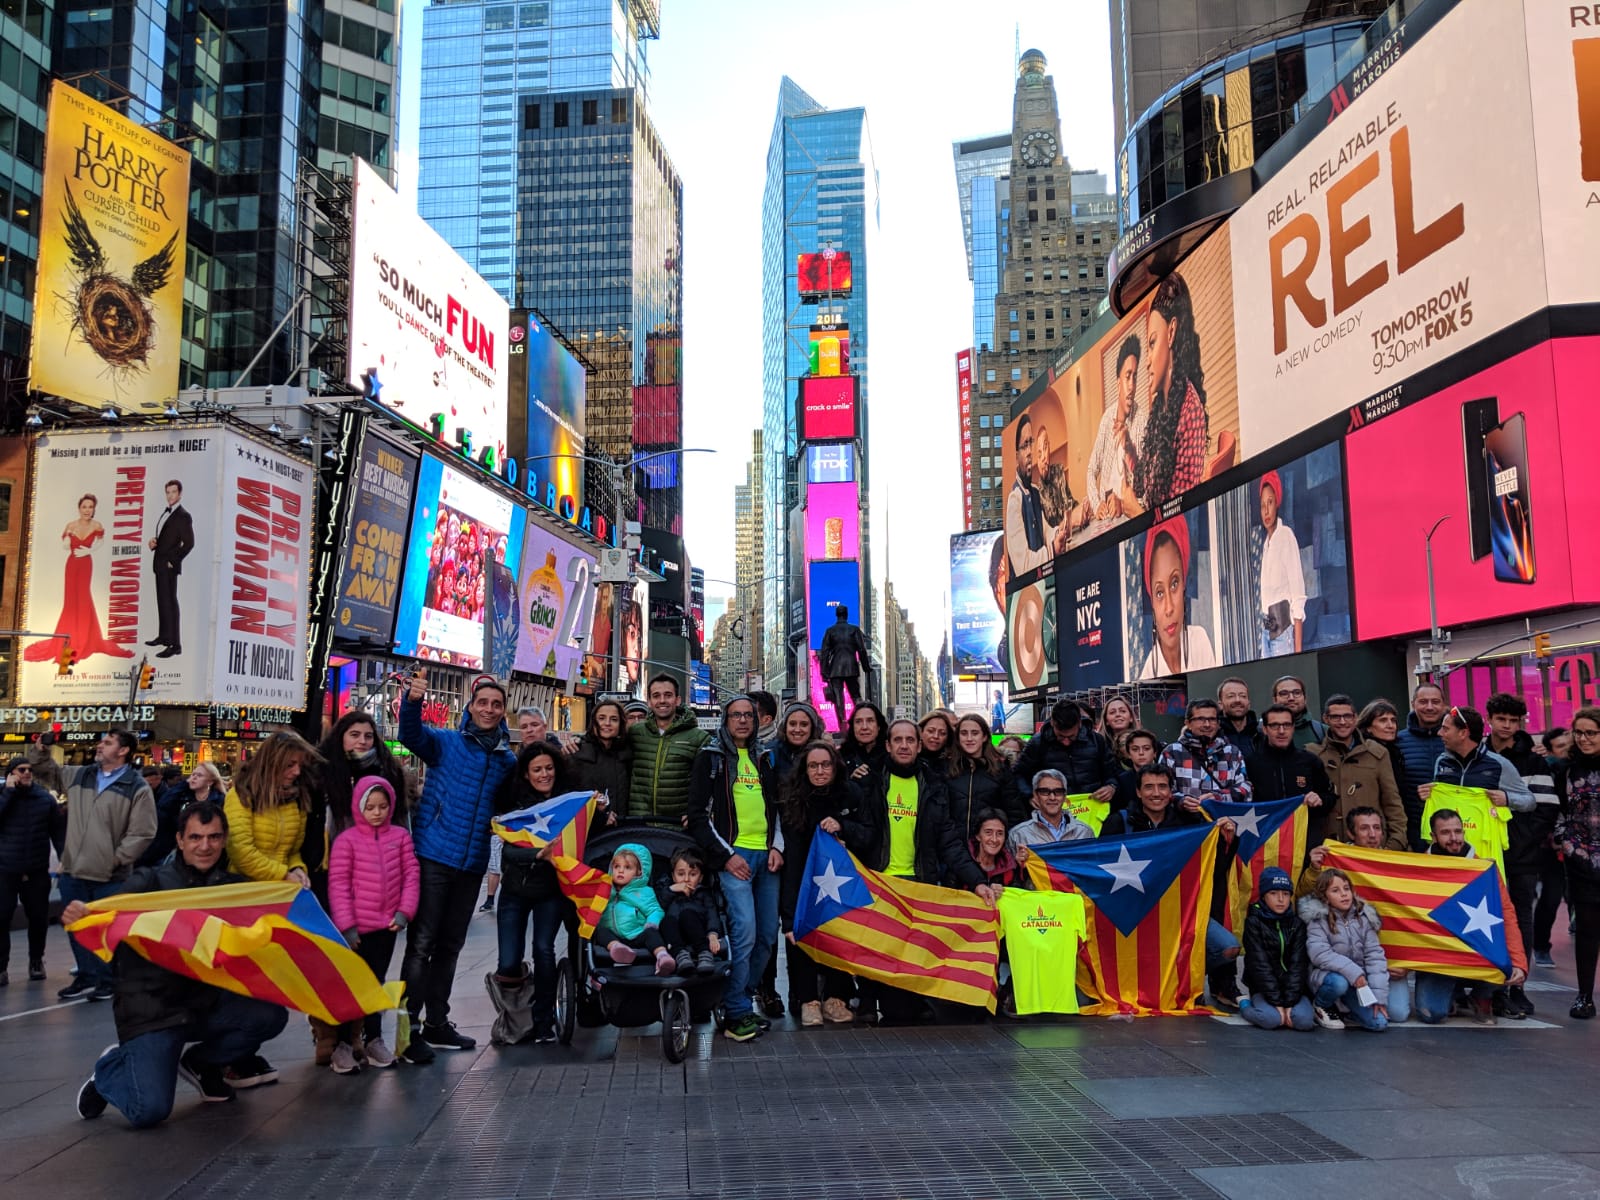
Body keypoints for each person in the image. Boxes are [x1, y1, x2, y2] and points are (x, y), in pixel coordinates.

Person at [70, 801, 289, 1127]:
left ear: (224, 839)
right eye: (196, 837)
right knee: (149, 1111)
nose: (205, 846)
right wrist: (85, 915)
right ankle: (111, 1067)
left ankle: (201, 1064)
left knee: (270, 1015)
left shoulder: (232, 888)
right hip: (153, 1012)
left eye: (214, 837)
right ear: (180, 840)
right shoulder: (149, 883)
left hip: (204, 1005)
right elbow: (108, 915)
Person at [398, 671, 517, 1063]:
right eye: (482, 702)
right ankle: (406, 1030)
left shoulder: (505, 760)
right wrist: (412, 702)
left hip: (471, 864)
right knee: (421, 945)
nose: (489, 709)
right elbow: (410, 737)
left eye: (496, 705)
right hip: (434, 855)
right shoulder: (446, 742)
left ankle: (436, 1023)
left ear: (503, 712)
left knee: (450, 946)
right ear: (470, 707)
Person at [1098, 764, 1240, 1006]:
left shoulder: (1189, 822)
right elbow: (1097, 866)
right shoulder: (1118, 822)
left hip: (1181, 912)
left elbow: (1212, 867)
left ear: (1171, 791)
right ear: (1138, 792)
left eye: (1162, 787)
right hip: (1134, 914)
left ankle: (1183, 979)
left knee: (1228, 947)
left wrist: (1228, 840)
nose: (1156, 793)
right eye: (1149, 787)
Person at [688, 696, 783, 1042]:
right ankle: (735, 1012)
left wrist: (777, 846)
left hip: (767, 857)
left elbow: (777, 808)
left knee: (766, 937)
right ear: (725, 721)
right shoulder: (711, 759)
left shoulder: (766, 757)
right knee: (743, 933)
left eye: (749, 715)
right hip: (735, 858)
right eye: (736, 716)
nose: (743, 721)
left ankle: (738, 999)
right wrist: (726, 856)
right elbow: (698, 816)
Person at [327, 776, 418, 1072]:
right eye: (371, 807)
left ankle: (374, 1038)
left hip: (386, 926)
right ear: (359, 807)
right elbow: (338, 885)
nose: (377, 812)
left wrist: (405, 912)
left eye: (383, 806)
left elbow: (410, 875)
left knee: (375, 982)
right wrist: (347, 925)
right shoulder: (346, 841)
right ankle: (341, 1044)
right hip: (355, 930)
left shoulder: (400, 837)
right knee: (349, 985)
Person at [57, 731, 156, 1001]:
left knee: (106, 932)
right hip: (74, 870)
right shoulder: (82, 775)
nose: (100, 745)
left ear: (123, 751)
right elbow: (47, 771)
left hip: (110, 875)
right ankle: (87, 977)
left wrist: (116, 859)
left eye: (108, 742)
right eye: (101, 741)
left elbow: (143, 832)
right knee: (76, 927)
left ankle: (108, 980)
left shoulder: (136, 786)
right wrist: (42, 749)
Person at [778, 741, 867, 1026]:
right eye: (813, 766)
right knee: (801, 937)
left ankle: (836, 997)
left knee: (839, 936)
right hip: (803, 881)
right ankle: (808, 1000)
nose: (819, 771)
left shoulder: (851, 794)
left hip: (841, 884)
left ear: (835, 766)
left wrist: (844, 828)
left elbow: (870, 834)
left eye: (825, 765)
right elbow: (790, 858)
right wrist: (789, 918)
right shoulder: (792, 799)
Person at [488, 743, 570, 1045]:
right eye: (537, 769)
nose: (544, 774)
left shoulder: (566, 802)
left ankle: (543, 1021)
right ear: (526, 773)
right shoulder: (517, 806)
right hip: (514, 890)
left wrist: (602, 814)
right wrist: (537, 855)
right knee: (508, 960)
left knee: (544, 950)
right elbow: (508, 850)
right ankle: (514, 1014)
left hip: (551, 891)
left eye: (549, 768)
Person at [1485, 692, 1559, 1015]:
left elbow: (1547, 809)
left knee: (1521, 919)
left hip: (1522, 855)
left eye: (1513, 721)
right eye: (1501, 719)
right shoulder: (1478, 754)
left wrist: (1525, 841)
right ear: (1490, 719)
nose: (1507, 726)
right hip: (1485, 852)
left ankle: (1518, 986)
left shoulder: (1534, 760)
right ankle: (1488, 986)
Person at [24, 494, 135, 663]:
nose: (87, 510)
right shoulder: (71, 525)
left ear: (94, 509)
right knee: (70, 602)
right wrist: (68, 537)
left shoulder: (97, 525)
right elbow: (64, 546)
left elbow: (100, 542)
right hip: (72, 564)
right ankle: (70, 637)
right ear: (79, 508)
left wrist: (89, 551)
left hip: (85, 564)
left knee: (83, 598)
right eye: (84, 507)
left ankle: (83, 639)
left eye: (90, 507)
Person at [1131, 270, 1208, 511]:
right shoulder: (1161, 409)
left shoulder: (1190, 414)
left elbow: (1179, 518)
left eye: (1153, 343)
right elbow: (1147, 491)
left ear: (1172, 332)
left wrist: (1134, 512)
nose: (1147, 361)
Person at [310, 712, 407, 902]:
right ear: (341, 737)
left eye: (368, 736)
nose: (362, 741)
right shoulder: (320, 771)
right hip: (329, 864)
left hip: (375, 867)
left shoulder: (389, 772)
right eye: (354, 735)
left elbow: (400, 822)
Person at [223, 733, 321, 887]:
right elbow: (240, 852)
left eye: (299, 765)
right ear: (270, 763)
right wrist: (283, 875)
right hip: (244, 889)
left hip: (279, 890)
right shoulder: (241, 795)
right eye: (290, 765)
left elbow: (293, 852)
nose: (297, 772)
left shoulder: (297, 798)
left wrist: (297, 868)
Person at [1311, 695, 1406, 852]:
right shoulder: (1314, 754)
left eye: (1347, 716)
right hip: (1329, 849)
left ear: (1355, 718)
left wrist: (1395, 843)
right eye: (1336, 717)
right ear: (1326, 719)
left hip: (1373, 849)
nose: (1342, 722)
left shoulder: (1377, 753)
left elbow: (1392, 803)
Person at [0, 757, 65, 985]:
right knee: (2, 918)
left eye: (29, 770)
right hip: (5, 870)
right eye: (21, 770)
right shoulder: (3, 796)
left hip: (36, 870)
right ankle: (1, 968)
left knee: (38, 919)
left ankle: (36, 961)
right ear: (11, 773)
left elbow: (57, 831)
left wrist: (63, 857)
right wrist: (8, 793)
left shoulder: (44, 799)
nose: (27, 773)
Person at [1301, 868, 1391, 1031]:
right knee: (1339, 983)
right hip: (1329, 979)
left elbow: (1375, 957)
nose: (1344, 894)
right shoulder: (1317, 920)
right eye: (1335, 890)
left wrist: (1378, 998)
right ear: (1325, 897)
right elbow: (1320, 954)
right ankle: (1321, 1005)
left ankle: (1349, 1010)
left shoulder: (1363, 918)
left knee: (1379, 1023)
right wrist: (1355, 973)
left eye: (1346, 888)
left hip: (1358, 984)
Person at [1556, 708, 1600, 1018]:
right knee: (1586, 931)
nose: (1584, 739)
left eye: (1591, 733)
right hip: (1581, 863)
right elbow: (1558, 812)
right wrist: (1567, 843)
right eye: (1579, 733)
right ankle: (1584, 995)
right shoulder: (1566, 771)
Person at [1136, 517, 1217, 677]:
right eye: (1159, 593)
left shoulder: (1199, 641)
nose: (1169, 608)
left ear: (1184, 586)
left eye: (1174, 584)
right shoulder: (1148, 675)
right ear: (1151, 601)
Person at [1238, 867, 1314, 1032]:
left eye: (1286, 894)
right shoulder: (1253, 923)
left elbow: (1298, 965)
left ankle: (1285, 1008)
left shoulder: (1297, 924)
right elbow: (1259, 965)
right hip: (1263, 988)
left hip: (1292, 988)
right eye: (1274, 893)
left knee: (1304, 1022)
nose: (1281, 899)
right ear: (1264, 896)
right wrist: (1277, 1003)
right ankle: (1244, 1005)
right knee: (1271, 1019)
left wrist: (1289, 1002)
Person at [626, 674, 710, 820]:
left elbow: (707, 784)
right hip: (638, 823)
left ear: (678, 700)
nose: (662, 700)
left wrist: (697, 813)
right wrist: (573, 739)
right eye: (656, 696)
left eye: (668, 695)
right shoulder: (635, 733)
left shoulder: (699, 738)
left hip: (678, 828)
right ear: (650, 702)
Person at [1083, 333, 1147, 523]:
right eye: (1128, 377)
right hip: (1105, 519)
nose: (1132, 386)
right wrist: (1097, 504)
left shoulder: (1141, 421)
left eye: (1135, 377)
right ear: (1118, 381)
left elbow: (1144, 488)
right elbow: (1091, 470)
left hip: (1130, 519)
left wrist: (1122, 501)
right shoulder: (1107, 420)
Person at [1013, 699, 1118, 811]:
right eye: (1061, 736)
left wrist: (1111, 787)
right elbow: (1018, 774)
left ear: (1080, 723)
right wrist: (1029, 795)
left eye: (1071, 736)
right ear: (1053, 723)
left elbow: (1112, 773)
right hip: (1052, 812)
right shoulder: (1038, 743)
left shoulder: (1096, 741)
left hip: (1093, 809)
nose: (1066, 742)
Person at [593, 844, 674, 975]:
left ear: (639, 872)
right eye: (616, 867)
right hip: (613, 938)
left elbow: (655, 910)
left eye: (627, 867)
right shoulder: (605, 890)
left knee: (651, 933)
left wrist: (651, 924)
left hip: (637, 934)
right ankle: (617, 948)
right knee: (600, 931)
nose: (620, 871)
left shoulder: (644, 892)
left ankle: (662, 956)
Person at [1005, 414, 1069, 574]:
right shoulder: (1014, 500)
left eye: (1030, 443)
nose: (1029, 452)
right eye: (1024, 446)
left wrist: (1058, 533)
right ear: (1016, 456)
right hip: (1027, 593)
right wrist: (1052, 550)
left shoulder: (1034, 491)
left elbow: (1045, 531)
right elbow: (1023, 567)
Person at [1159, 698, 1253, 807]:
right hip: (1187, 822)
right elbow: (1161, 790)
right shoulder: (1172, 753)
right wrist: (1181, 801)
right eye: (1200, 719)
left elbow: (1246, 788)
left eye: (1212, 719)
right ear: (1188, 723)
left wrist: (1219, 797)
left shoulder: (1232, 752)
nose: (1207, 724)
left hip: (1224, 821)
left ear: (1218, 723)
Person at [1253, 471, 1306, 657]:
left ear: (1277, 504)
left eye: (1270, 503)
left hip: (1284, 634)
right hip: (1266, 633)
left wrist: (1298, 654)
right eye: (1262, 506)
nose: (1266, 511)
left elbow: (1298, 596)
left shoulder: (1286, 536)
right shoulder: (1266, 545)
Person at [140, 763, 223, 872]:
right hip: (175, 845)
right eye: (192, 775)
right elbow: (163, 805)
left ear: (210, 781)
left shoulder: (219, 800)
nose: (194, 778)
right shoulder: (183, 795)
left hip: (204, 847)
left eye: (199, 775)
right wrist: (184, 784)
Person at [948, 714, 1019, 836]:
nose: (969, 738)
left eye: (975, 733)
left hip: (989, 848)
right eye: (964, 733)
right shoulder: (947, 768)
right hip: (952, 847)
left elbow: (1015, 813)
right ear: (958, 737)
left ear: (984, 736)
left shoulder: (1001, 770)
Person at [1395, 682, 1447, 848]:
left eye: (1435, 702)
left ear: (1444, 705)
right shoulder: (1397, 742)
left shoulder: (1457, 740)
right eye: (1423, 702)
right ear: (1413, 704)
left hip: (1457, 829)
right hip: (1413, 830)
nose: (1430, 707)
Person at [1246, 704, 1330, 808]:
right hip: (1267, 824)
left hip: (1302, 823)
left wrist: (1319, 799)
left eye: (1287, 725)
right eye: (1275, 725)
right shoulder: (1250, 763)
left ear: (1293, 728)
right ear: (1265, 729)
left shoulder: (1310, 761)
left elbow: (1329, 796)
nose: (1281, 731)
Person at [146, 480, 194, 658]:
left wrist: (173, 561)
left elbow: (189, 543)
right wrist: (155, 542)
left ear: (180, 494)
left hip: (168, 566)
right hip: (159, 565)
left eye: (173, 492)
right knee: (162, 602)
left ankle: (175, 644)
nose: (170, 495)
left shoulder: (183, 515)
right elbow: (168, 539)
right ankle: (164, 636)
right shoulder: (167, 512)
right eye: (168, 492)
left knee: (171, 603)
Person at [659, 847, 724, 975]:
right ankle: (681, 957)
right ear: (673, 876)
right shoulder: (667, 891)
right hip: (675, 936)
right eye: (681, 874)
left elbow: (712, 915)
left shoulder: (703, 894)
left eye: (693, 874)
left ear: (700, 878)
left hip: (697, 932)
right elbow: (658, 906)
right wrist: (671, 890)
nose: (686, 879)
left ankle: (705, 954)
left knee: (687, 915)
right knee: (666, 921)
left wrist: (712, 934)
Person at [1007, 769, 1095, 856]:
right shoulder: (1018, 834)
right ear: (1035, 795)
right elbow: (1007, 868)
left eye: (1058, 792)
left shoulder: (1085, 832)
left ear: (1065, 796)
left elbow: (1094, 867)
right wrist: (1018, 866)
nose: (1052, 797)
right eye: (1045, 792)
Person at [565, 699, 632, 810]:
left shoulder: (628, 754)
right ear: (593, 722)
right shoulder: (575, 752)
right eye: (601, 718)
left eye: (614, 719)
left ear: (621, 724)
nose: (607, 723)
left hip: (623, 824)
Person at [817, 607, 873, 732]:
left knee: (838, 698)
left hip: (835, 669)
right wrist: (866, 667)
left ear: (836, 615)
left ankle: (842, 725)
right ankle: (860, 720)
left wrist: (824, 671)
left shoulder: (830, 631)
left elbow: (825, 653)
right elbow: (862, 650)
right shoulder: (854, 630)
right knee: (856, 696)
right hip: (851, 667)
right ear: (847, 615)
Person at [840, 701, 890, 793]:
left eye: (870, 721)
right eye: (858, 722)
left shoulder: (891, 756)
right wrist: (850, 782)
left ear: (879, 726)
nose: (864, 727)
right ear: (852, 727)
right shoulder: (839, 758)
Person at [969, 808, 1026, 888]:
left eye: (1000, 833)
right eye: (988, 832)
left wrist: (1022, 868)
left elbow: (1018, 896)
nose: (994, 839)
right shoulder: (962, 863)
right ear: (978, 836)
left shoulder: (1010, 867)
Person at [1110, 730, 1162, 815]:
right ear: (1129, 754)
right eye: (1135, 749)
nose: (1141, 753)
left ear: (1155, 753)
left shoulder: (1166, 776)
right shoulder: (1121, 780)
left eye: (1146, 748)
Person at [1270, 676, 1325, 748]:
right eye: (1284, 693)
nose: (1291, 698)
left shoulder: (1323, 732)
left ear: (1305, 698)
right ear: (1275, 700)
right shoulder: (1259, 731)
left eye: (1297, 693)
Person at [1216, 677, 1258, 759]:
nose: (1238, 700)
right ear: (1220, 704)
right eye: (1231, 696)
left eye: (1243, 696)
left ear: (1249, 703)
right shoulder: (1213, 734)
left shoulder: (1261, 733)